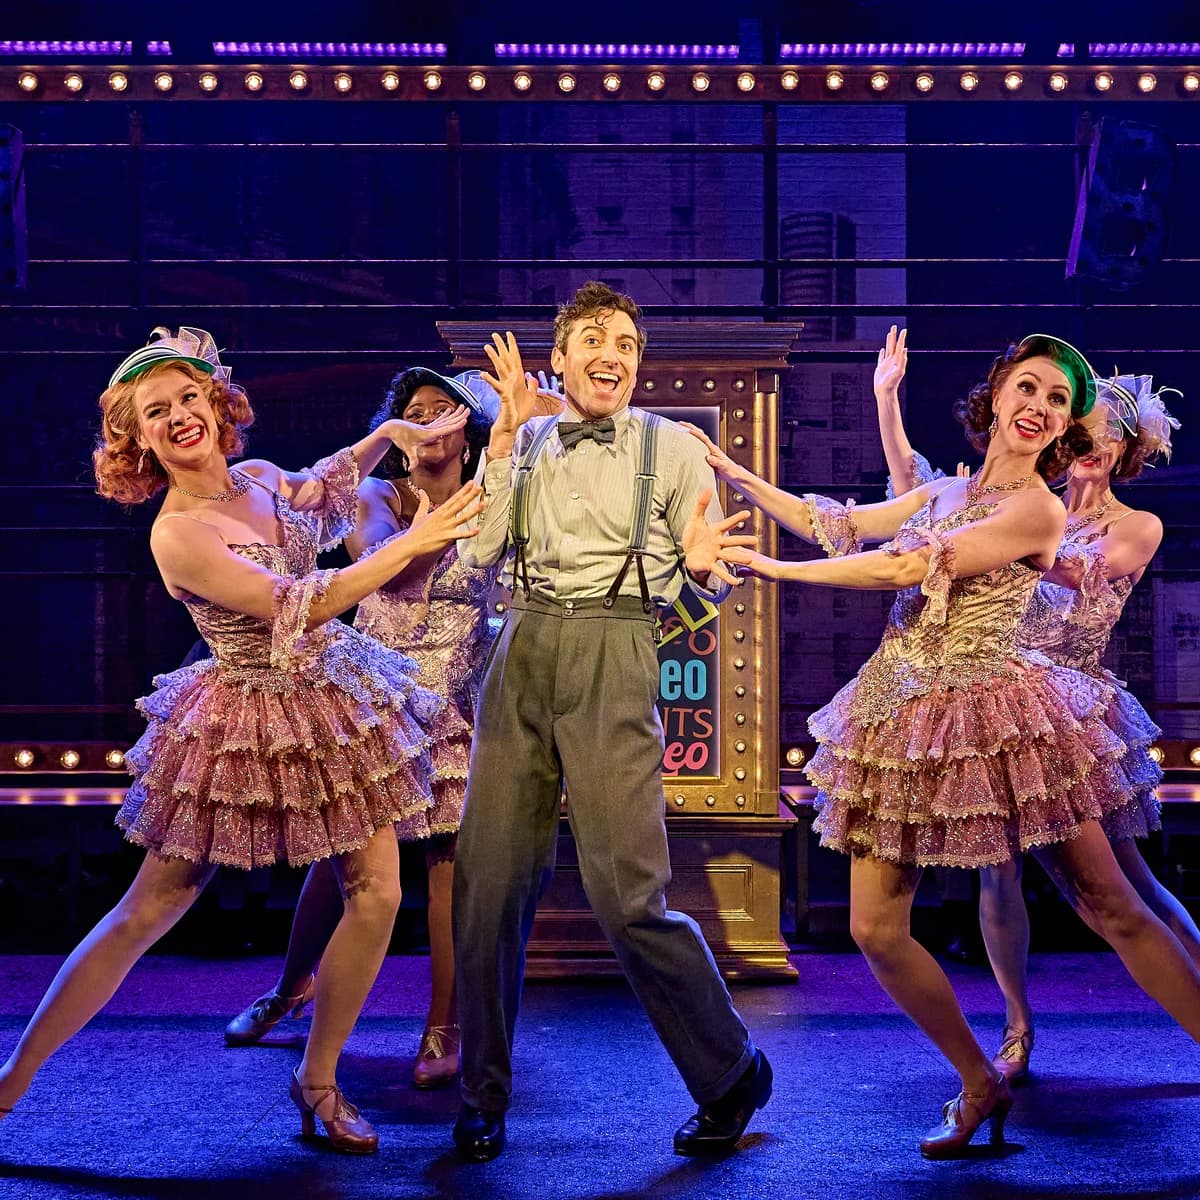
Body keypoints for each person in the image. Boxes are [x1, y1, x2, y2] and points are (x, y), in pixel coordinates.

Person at [687, 332, 1200, 1158]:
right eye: (1028, 387)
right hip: (902, 714)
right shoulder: (949, 489)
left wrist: (769, 571)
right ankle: (979, 1080)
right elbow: (840, 523)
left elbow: (904, 567)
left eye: (1058, 401)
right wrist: (731, 470)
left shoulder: (1038, 509)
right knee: (874, 928)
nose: (1039, 407)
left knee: (1113, 905)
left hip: (1003, 713)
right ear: (996, 394)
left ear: (1065, 427)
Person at [0, 327, 483, 1155]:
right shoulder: (178, 533)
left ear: (215, 401)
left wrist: (389, 435)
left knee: (376, 892)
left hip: (333, 699)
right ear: (138, 438)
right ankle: (11, 1082)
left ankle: (318, 1081)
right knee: (151, 907)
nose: (179, 416)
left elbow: (320, 484)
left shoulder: (255, 476)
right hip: (242, 715)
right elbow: (304, 601)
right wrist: (414, 541)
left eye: (189, 397)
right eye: (157, 412)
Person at [449, 281, 770, 1162]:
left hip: (616, 646)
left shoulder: (672, 448)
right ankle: (481, 1096)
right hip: (521, 646)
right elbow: (478, 555)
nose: (612, 355)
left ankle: (731, 1070)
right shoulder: (526, 441)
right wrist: (501, 446)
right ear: (559, 359)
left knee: (628, 897)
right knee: (487, 886)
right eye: (593, 339)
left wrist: (698, 574)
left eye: (626, 343)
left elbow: (709, 576)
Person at [872, 327, 1197, 1084]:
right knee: (998, 872)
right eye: (1085, 430)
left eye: (1107, 435)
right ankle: (1016, 1026)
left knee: (1124, 889)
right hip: (994, 697)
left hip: (1069, 713)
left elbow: (1077, 571)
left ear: (1125, 450)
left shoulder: (1129, 524)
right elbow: (912, 487)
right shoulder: (1026, 502)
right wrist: (891, 405)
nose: (1092, 444)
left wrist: (989, 535)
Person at [224, 366, 560, 1090]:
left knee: (449, 864)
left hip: (460, 697)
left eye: (445, 409)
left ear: (469, 431)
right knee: (340, 859)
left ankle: (446, 1024)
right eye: (416, 410)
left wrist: (530, 431)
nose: (430, 419)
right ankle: (291, 988)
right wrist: (450, 517)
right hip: (377, 697)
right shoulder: (380, 495)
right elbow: (386, 569)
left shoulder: (498, 492)